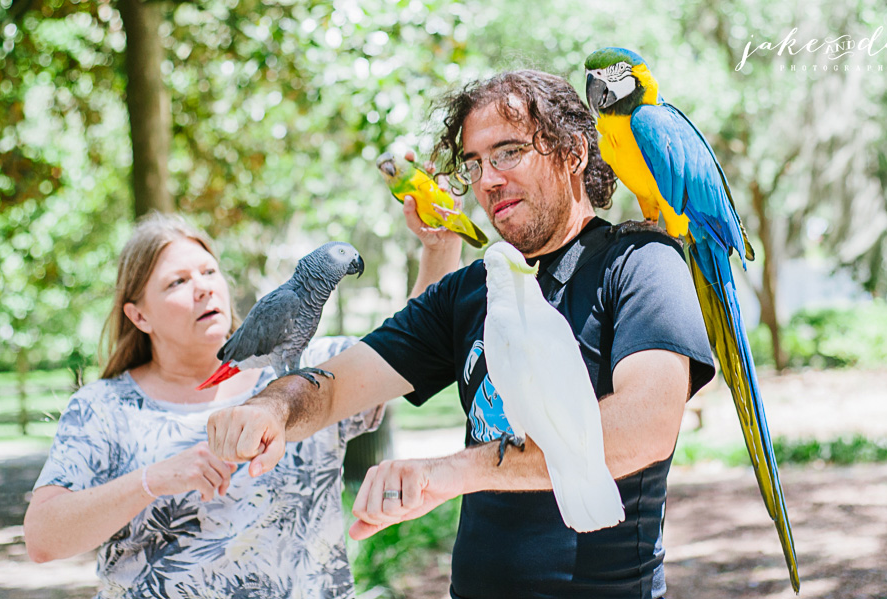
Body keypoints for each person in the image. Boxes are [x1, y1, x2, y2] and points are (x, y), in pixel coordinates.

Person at [207, 70, 717, 599]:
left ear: (573, 154)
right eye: (475, 164)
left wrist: (453, 473)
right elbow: (334, 385)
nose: (488, 180)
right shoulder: (471, 290)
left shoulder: (640, 264)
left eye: (508, 153)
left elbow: (647, 424)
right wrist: (271, 409)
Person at [23, 214, 399, 598]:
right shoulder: (102, 408)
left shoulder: (316, 368)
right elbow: (42, 539)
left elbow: (417, 345)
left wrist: (438, 247)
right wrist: (150, 480)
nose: (203, 288)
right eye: (178, 281)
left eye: (209, 271)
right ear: (139, 315)